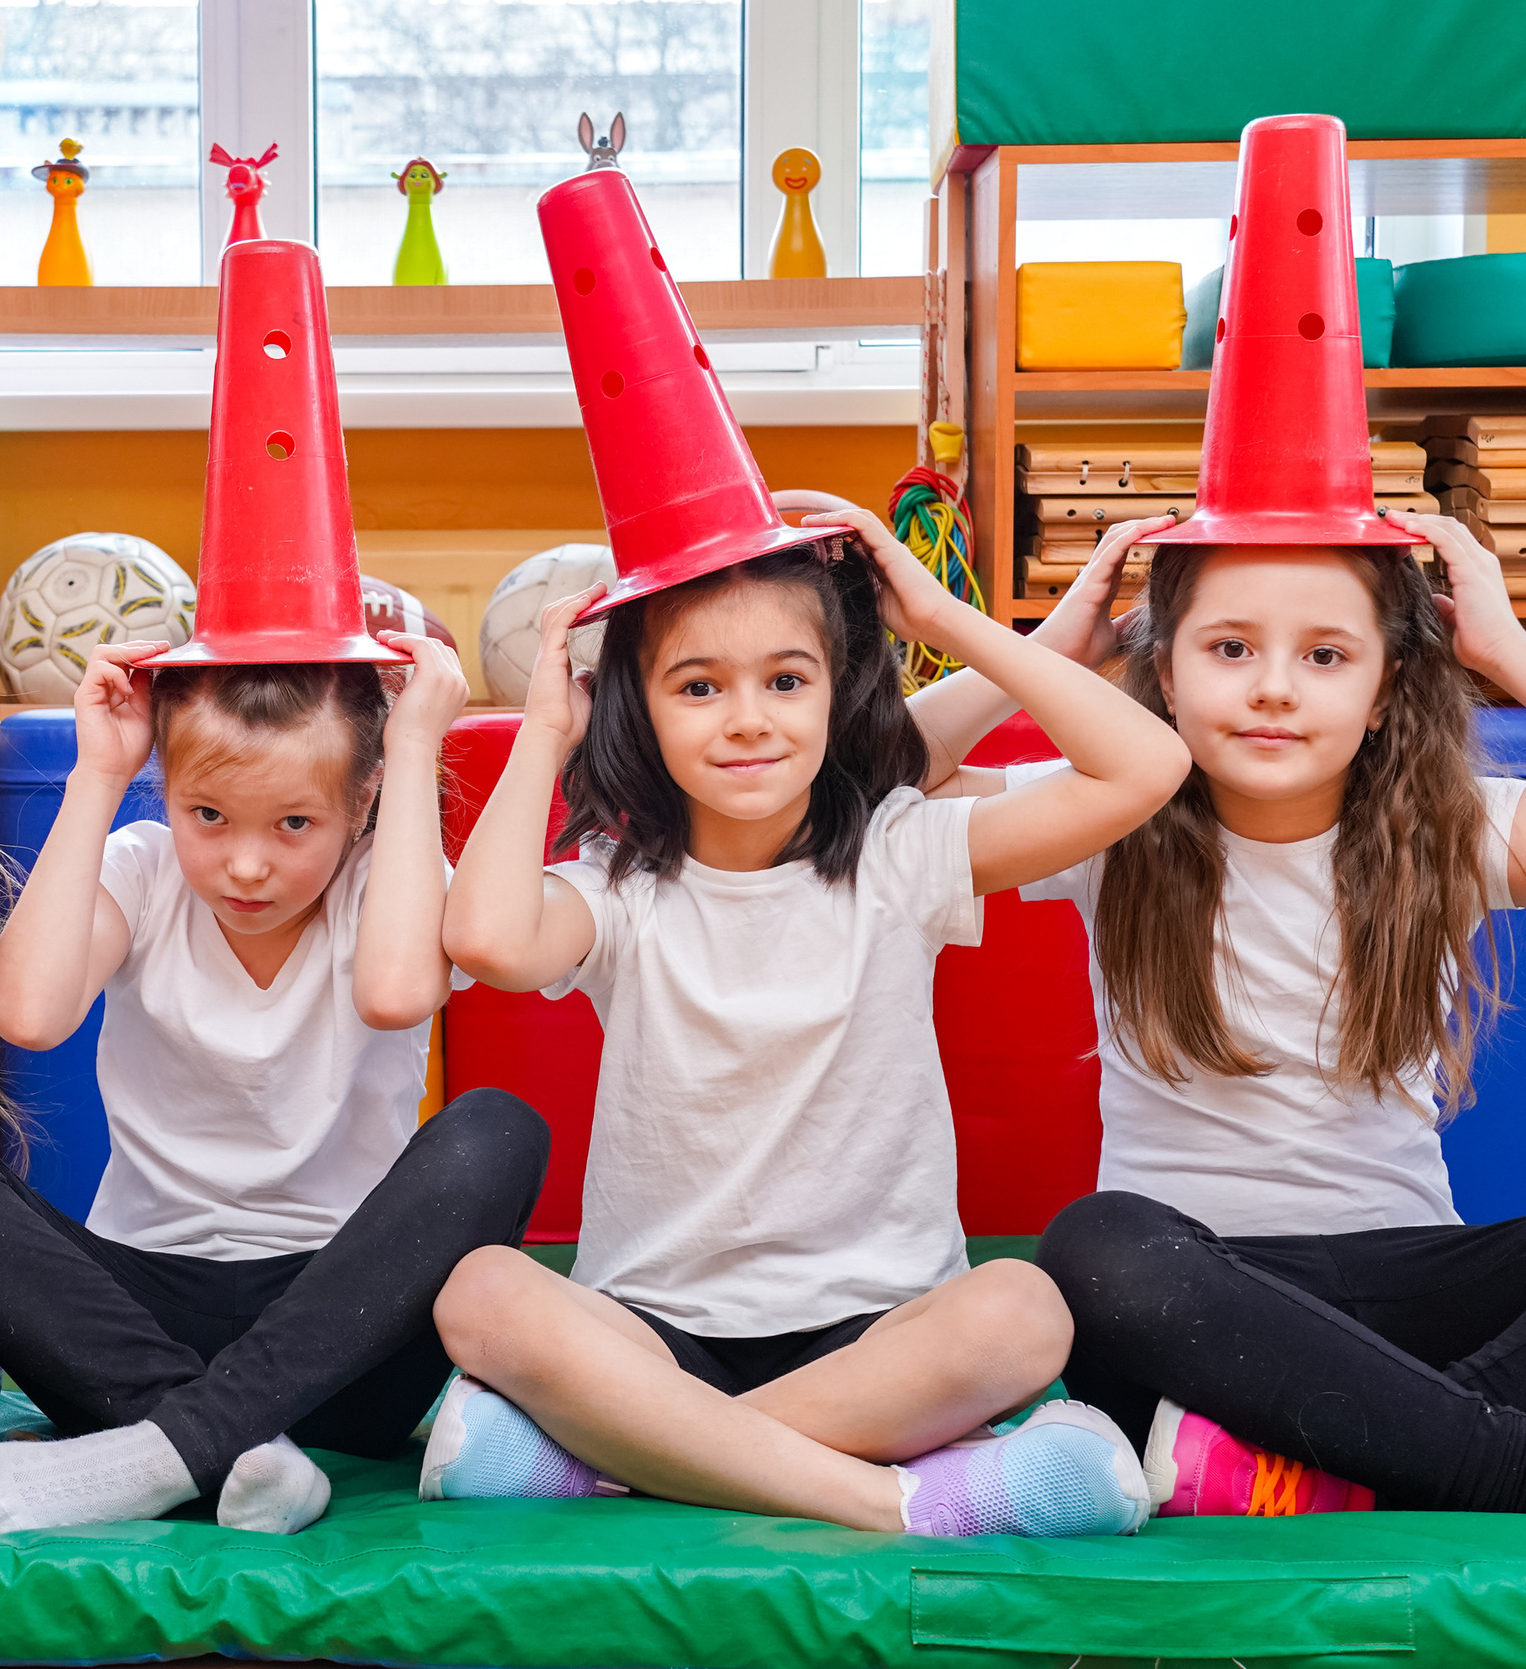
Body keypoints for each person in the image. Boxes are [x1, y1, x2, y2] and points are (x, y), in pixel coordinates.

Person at [419, 502, 1193, 1537]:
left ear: (837, 694)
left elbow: (1145, 769)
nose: (747, 719)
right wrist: (543, 732)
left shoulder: (900, 851)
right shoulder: (618, 886)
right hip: (652, 1329)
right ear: (636, 710)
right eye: (698, 688)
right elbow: (483, 940)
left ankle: (627, 1462)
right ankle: (898, 1502)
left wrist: (942, 617)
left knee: (1021, 1312)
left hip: (875, 1339)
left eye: (786, 681)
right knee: (481, 1293)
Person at [985, 512, 1526, 1520]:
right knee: (1092, 1250)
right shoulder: (1098, 815)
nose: (1272, 686)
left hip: (1412, 1298)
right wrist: (1038, 658)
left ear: (1386, 688)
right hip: (1197, 1324)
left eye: (1325, 655)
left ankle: (1360, 1463)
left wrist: (1509, 651)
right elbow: (855, 803)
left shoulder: (1453, 829)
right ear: (1162, 673)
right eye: (1227, 649)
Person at [0, 632, 549, 1537]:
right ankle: (231, 1445)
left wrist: (413, 745)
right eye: (209, 815)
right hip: (130, 1331)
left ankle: (170, 1449)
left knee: (500, 1128)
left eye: (293, 824)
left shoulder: (391, 881)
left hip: (346, 1334)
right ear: (168, 792)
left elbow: (395, 993)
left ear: (363, 797)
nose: (247, 864)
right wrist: (100, 775)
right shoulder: (142, 867)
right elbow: (29, 1012)